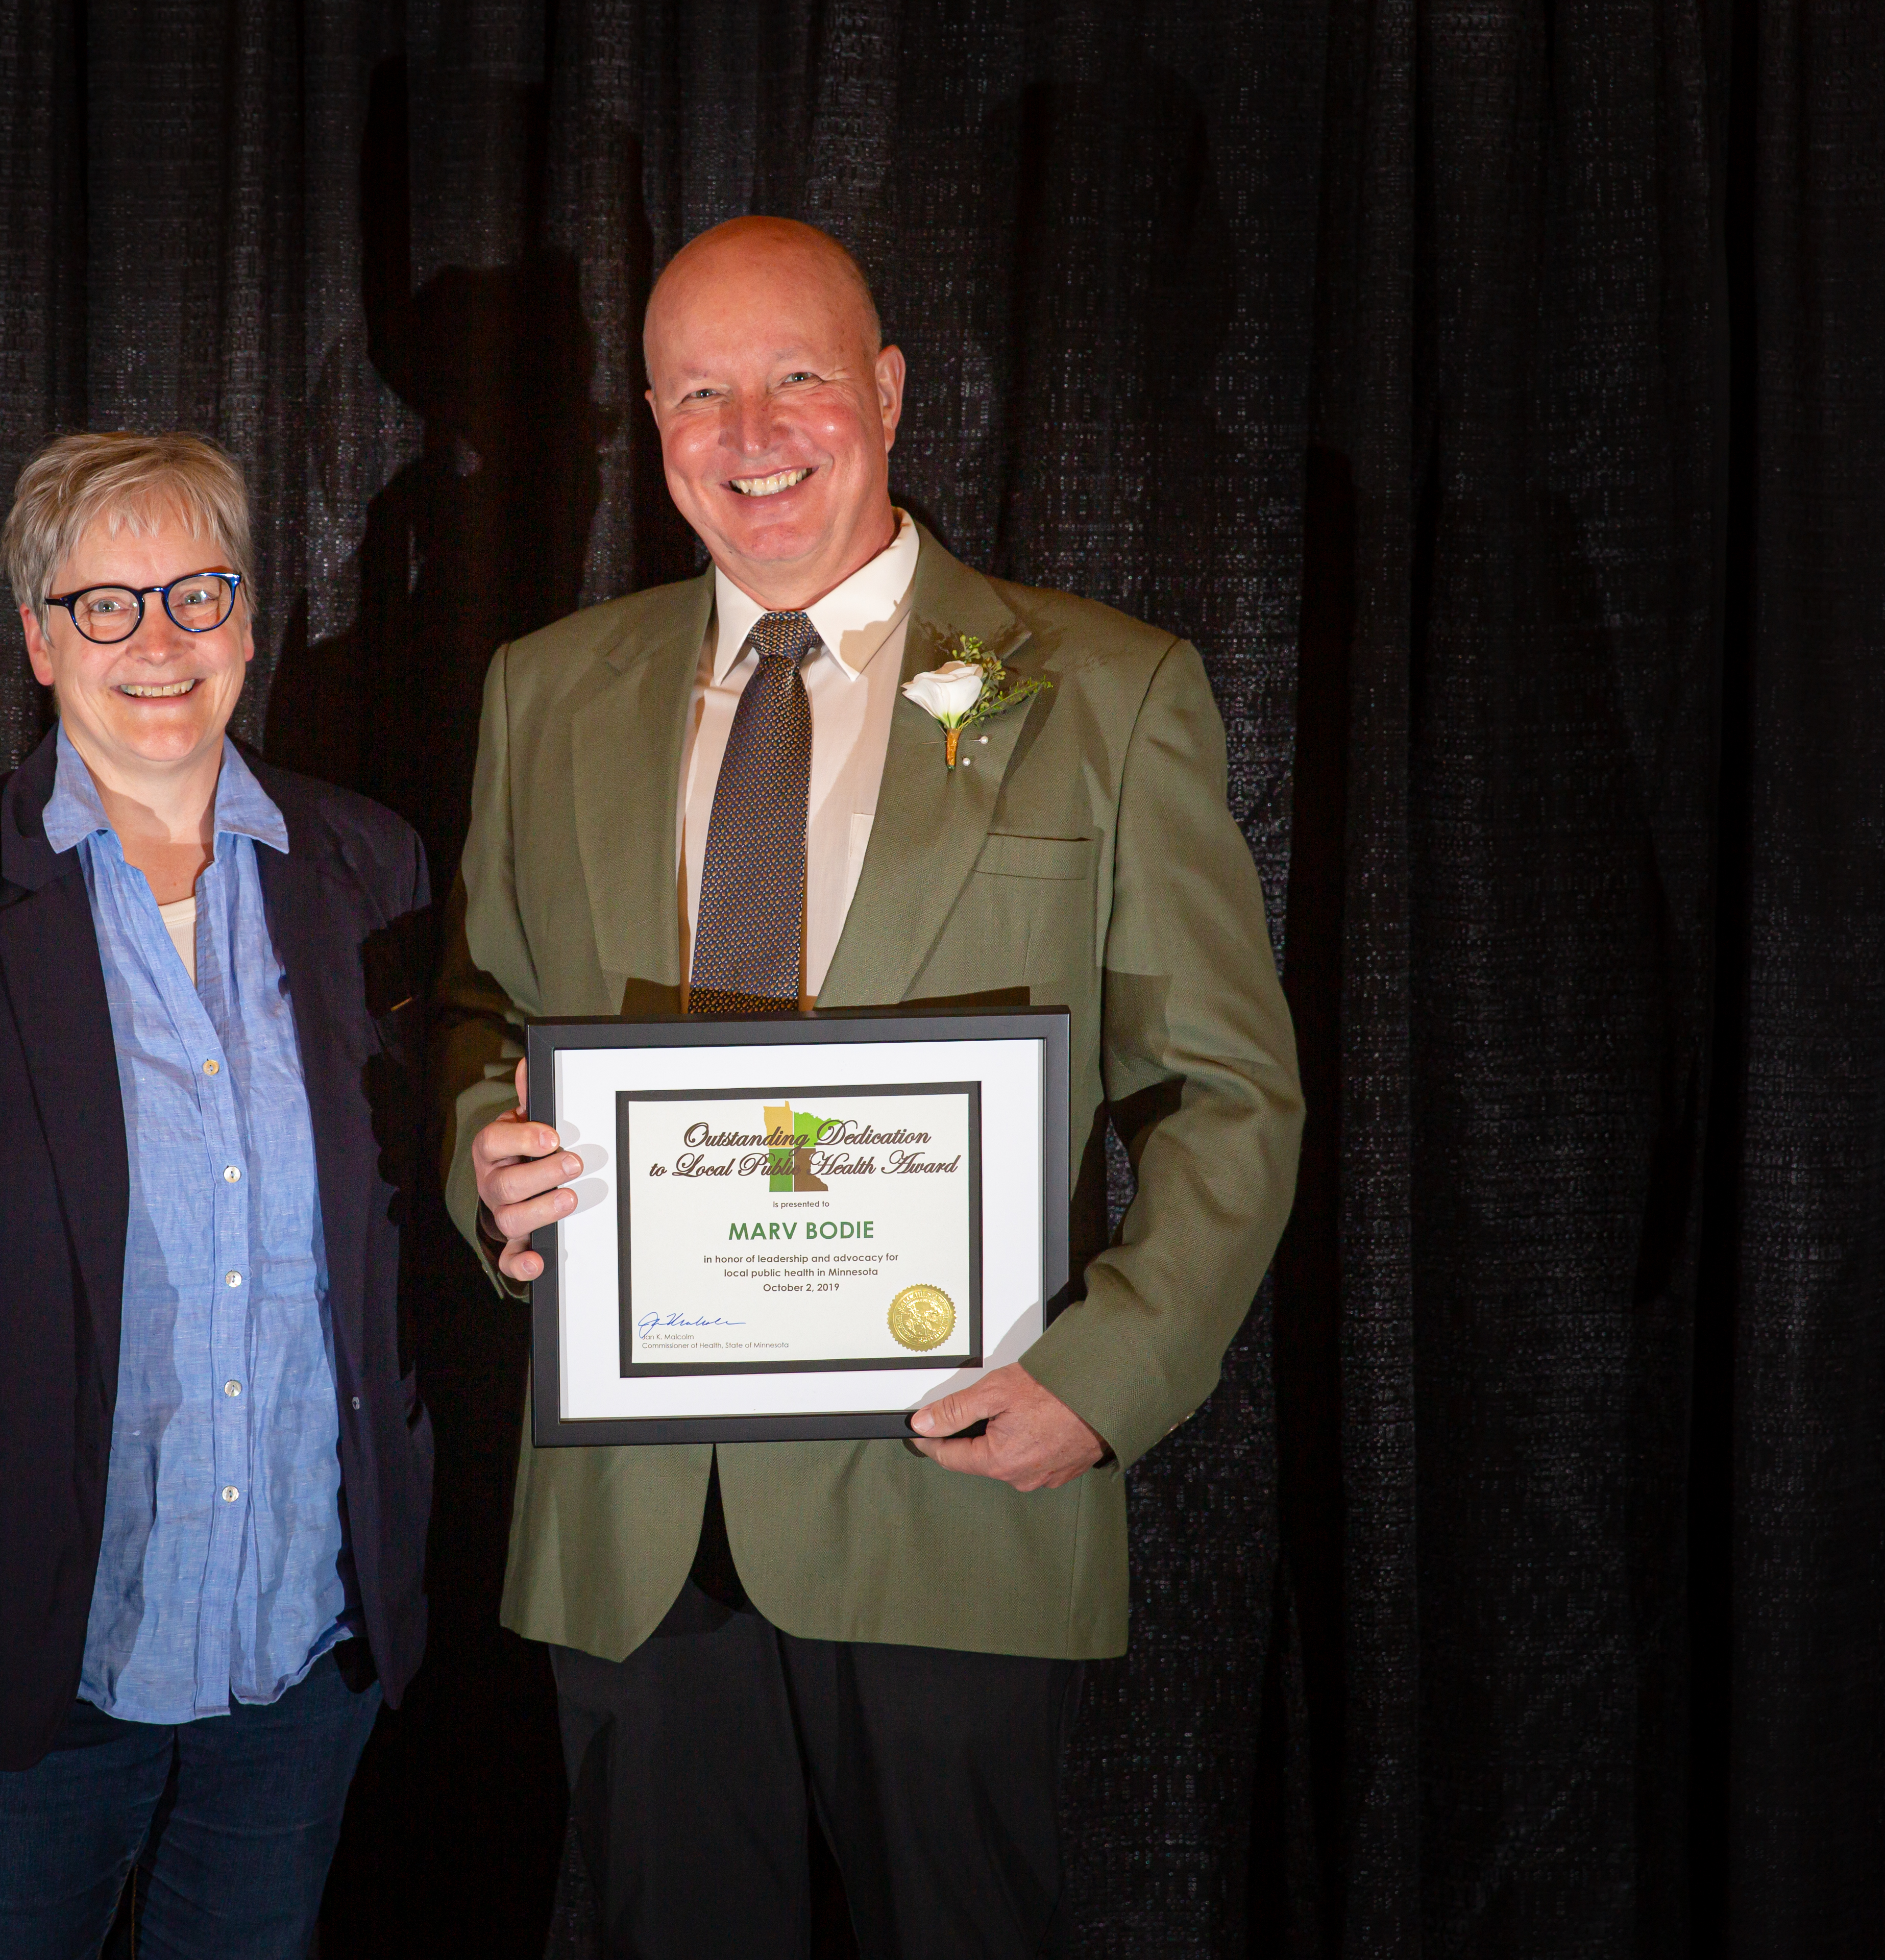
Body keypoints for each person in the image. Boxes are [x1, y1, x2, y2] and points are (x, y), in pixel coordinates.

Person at [442, 217, 1303, 1955]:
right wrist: (489, 1155)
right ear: (650, 422)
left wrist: (1110, 1375)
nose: (751, 433)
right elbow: (482, 1007)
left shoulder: (1105, 692)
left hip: (954, 1491)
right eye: (700, 393)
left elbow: (1229, 1091)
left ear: (891, 392)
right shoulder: (546, 693)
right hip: (638, 1525)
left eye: (797, 379)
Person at [0, 431, 434, 1958]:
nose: (160, 640)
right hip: (13, 1667)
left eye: (197, 592)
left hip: (296, 1662)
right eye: (106, 605)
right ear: (42, 642)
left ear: (253, 619)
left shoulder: (372, 871)